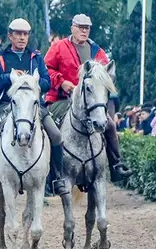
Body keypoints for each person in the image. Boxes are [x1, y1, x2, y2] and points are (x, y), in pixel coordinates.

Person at [0, 18, 70, 196]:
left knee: (56, 135)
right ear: (10, 36)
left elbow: (46, 83)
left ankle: (57, 178)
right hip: (4, 104)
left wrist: (30, 81)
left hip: (32, 105)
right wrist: (7, 78)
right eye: (18, 34)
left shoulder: (36, 58)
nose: (22, 37)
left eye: (25, 34)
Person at [43, 14, 132, 182]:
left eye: (87, 28)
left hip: (90, 103)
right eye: (80, 27)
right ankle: (49, 173)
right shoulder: (58, 47)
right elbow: (46, 69)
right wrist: (61, 82)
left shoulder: (97, 52)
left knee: (110, 125)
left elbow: (106, 75)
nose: (84, 31)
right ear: (72, 28)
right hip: (61, 99)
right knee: (50, 128)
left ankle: (116, 165)